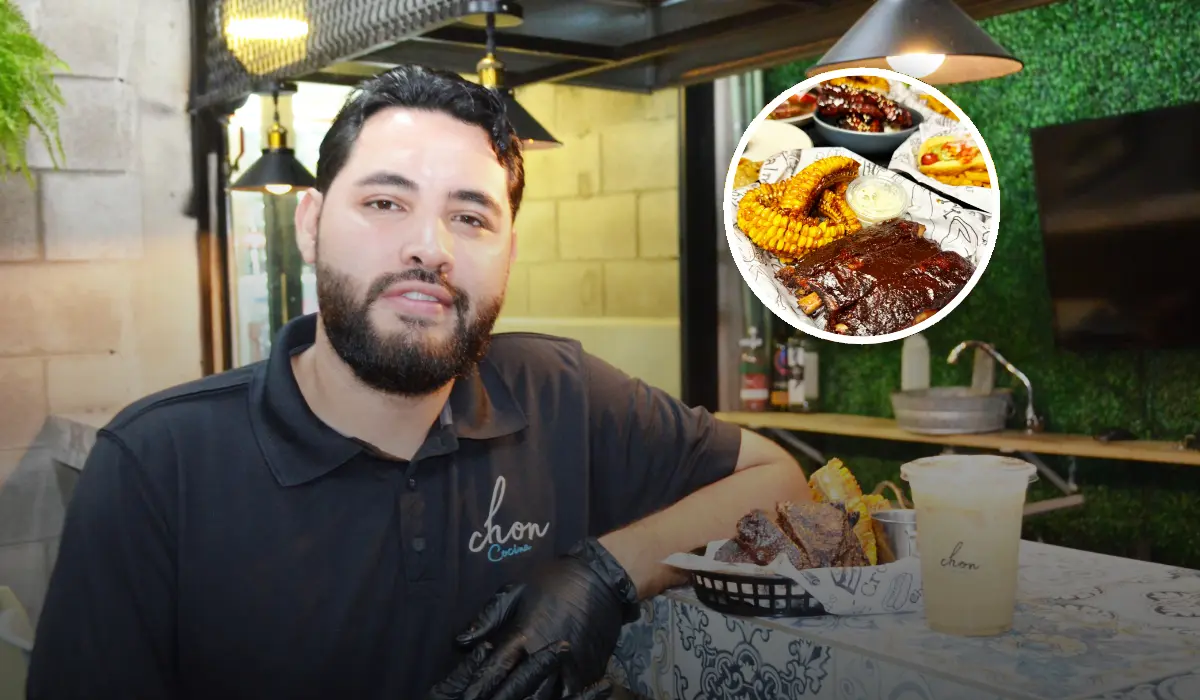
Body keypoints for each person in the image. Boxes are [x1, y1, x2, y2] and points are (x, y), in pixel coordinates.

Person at [27, 64, 811, 700]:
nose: (427, 247)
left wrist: (604, 575)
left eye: (470, 217)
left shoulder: (560, 393)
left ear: (508, 252)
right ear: (310, 223)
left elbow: (781, 480)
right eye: (384, 201)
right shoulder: (155, 467)